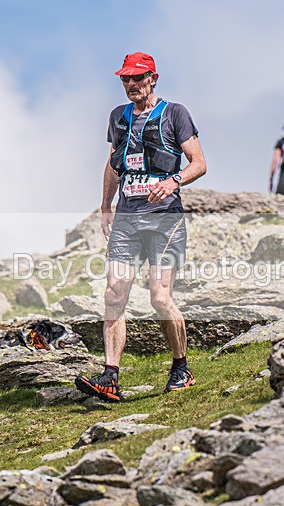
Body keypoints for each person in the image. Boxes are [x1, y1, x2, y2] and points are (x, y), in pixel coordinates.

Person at [75, 52, 207, 402]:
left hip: (165, 219)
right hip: (127, 220)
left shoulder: (175, 113)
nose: (131, 84)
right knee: (113, 294)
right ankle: (110, 376)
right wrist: (106, 205)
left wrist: (173, 181)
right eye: (125, 79)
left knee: (160, 298)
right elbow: (113, 163)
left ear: (153, 78)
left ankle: (181, 368)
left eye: (138, 77)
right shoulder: (118, 117)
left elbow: (199, 163)